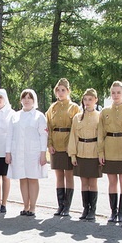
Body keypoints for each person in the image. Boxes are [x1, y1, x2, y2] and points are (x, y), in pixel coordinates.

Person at [98, 81, 122, 224]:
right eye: (113, 92)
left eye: (118, 92)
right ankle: (113, 212)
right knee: (112, 181)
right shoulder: (105, 111)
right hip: (109, 148)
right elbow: (100, 133)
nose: (115, 95)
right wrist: (100, 152)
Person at [7, 89, 48, 216]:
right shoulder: (15, 116)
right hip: (18, 152)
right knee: (22, 178)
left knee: (32, 178)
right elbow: (10, 135)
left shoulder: (39, 116)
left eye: (29, 98)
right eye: (24, 98)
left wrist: (43, 153)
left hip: (33, 152)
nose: (26, 100)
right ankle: (25, 206)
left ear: (34, 100)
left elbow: (43, 135)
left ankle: (33, 207)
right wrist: (8, 152)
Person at [46, 78, 81, 217]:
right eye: (58, 90)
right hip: (56, 143)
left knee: (69, 175)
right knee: (59, 175)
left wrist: (72, 146)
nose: (60, 93)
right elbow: (48, 126)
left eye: (63, 90)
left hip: (68, 143)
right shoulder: (52, 108)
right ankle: (60, 205)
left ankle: (68, 206)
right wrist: (50, 144)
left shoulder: (74, 107)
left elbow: (76, 128)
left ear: (68, 91)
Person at [68, 88, 103, 222]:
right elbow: (73, 137)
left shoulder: (99, 117)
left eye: (90, 99)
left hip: (94, 151)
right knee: (83, 182)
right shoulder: (77, 118)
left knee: (92, 182)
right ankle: (85, 208)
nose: (87, 102)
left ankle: (93, 209)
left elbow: (101, 137)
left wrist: (101, 154)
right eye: (85, 99)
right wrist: (73, 155)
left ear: (95, 100)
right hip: (81, 151)